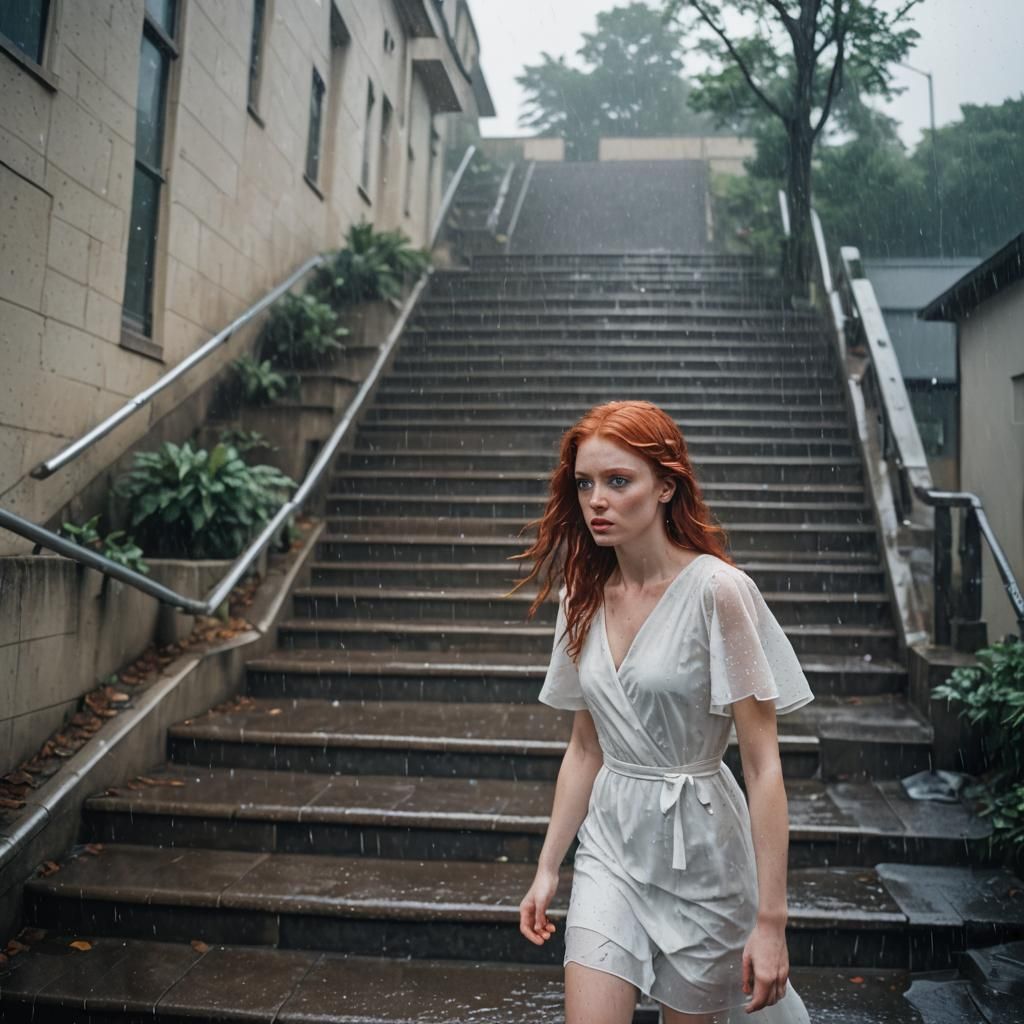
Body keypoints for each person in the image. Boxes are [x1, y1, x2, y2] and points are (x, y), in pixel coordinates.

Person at [513, 400, 814, 1024]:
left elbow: (763, 768)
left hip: (703, 851)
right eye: (585, 483)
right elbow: (585, 748)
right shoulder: (581, 599)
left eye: (618, 482)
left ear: (666, 486)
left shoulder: (720, 593)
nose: (597, 500)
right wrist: (547, 867)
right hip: (610, 845)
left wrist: (772, 921)